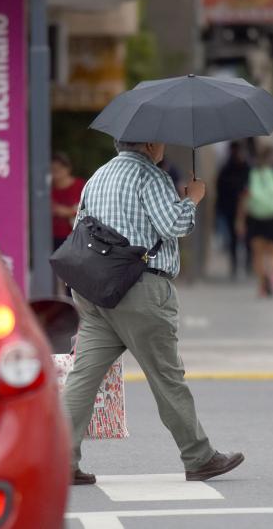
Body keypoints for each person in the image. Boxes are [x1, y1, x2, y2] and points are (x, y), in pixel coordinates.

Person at [62, 140, 244, 485]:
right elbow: (173, 225)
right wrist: (192, 198)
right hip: (140, 290)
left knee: (83, 379)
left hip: (96, 290)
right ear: (149, 143)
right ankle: (199, 456)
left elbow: (80, 229)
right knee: (167, 376)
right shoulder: (150, 176)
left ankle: (61, 459)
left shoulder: (97, 177)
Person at [236, 146, 273, 298]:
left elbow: (243, 199)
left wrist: (240, 220)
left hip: (255, 217)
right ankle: (272, 274)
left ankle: (262, 284)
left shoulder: (249, 173)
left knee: (258, 254)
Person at [215, 141, 251, 278]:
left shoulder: (247, 167)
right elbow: (220, 189)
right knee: (233, 240)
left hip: (246, 209)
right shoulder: (226, 169)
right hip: (231, 209)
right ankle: (235, 265)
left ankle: (247, 264)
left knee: (247, 239)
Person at [51, 151, 84, 251]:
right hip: (53, 236)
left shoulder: (80, 185)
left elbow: (88, 208)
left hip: (76, 236)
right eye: (52, 169)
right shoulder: (46, 189)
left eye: (59, 169)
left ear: (68, 168)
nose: (56, 173)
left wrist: (68, 211)